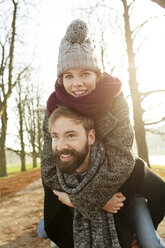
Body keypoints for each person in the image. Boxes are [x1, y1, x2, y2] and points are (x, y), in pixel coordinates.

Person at [39, 19, 165, 247]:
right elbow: (49, 167)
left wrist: (79, 199)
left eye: (84, 73)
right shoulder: (54, 108)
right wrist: (84, 201)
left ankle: (141, 222)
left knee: (149, 232)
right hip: (76, 180)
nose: (77, 83)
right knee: (47, 228)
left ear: (97, 74)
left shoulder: (115, 101)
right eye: (69, 76)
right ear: (61, 79)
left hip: (116, 177)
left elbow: (121, 158)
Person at [44, 105, 165, 248]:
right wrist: (97, 202)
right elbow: (54, 223)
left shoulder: (123, 167)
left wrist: (141, 228)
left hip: (132, 206)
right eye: (55, 136)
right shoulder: (54, 172)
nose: (60, 146)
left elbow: (161, 192)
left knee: (150, 242)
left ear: (91, 137)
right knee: (43, 231)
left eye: (71, 135)